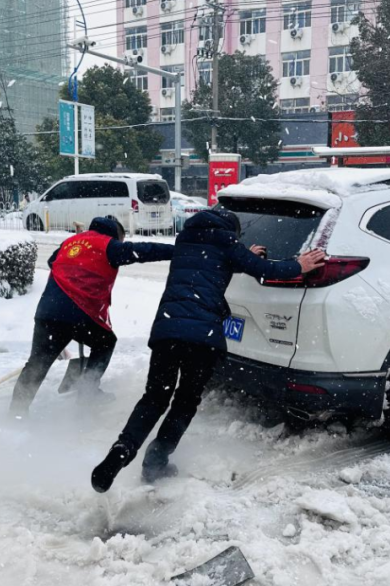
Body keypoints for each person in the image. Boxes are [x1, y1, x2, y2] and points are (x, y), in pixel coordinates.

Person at [91, 209, 326, 492]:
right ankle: (156, 460)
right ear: (232, 231)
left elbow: (209, 264)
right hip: (202, 338)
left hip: (168, 331)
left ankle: (122, 449)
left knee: (153, 399)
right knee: (185, 401)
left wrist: (243, 255)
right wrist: (298, 265)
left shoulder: (186, 239)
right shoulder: (227, 243)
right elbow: (266, 271)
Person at [9, 216, 174, 416]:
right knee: (105, 342)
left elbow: (52, 261)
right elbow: (145, 250)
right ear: (116, 235)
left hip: (48, 311)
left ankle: (16, 412)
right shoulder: (109, 245)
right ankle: (88, 392)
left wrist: (77, 265)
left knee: (37, 364)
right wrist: (177, 251)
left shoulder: (70, 242)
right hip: (80, 311)